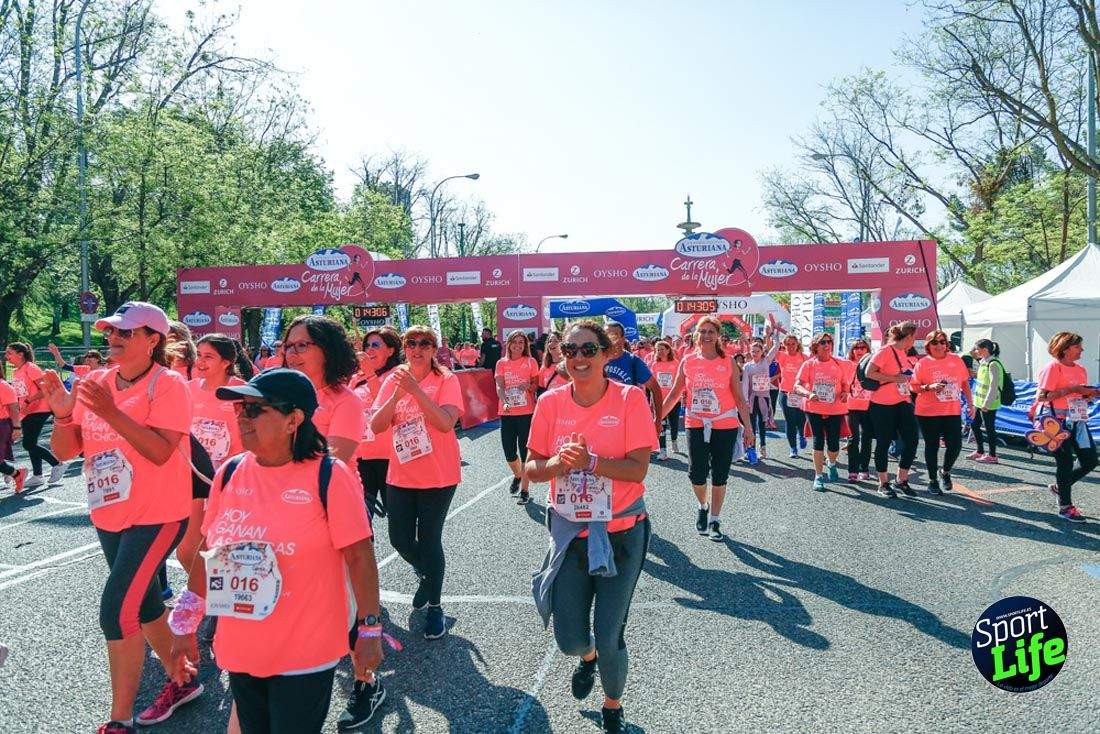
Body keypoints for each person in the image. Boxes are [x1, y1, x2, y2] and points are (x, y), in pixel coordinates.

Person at [166, 368, 385, 732]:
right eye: (240, 409)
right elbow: (209, 552)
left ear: (293, 420)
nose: (241, 417)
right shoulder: (230, 472)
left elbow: (361, 558)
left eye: (254, 409)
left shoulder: (329, 475)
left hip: (304, 651)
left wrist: (370, 630)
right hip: (240, 648)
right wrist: (185, 624)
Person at [41, 302, 192, 734]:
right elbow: (67, 452)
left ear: (153, 340)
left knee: (115, 611)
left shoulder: (169, 385)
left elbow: (160, 451)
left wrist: (110, 412)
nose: (114, 339)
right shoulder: (96, 382)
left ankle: (119, 719)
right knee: (143, 605)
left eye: (126, 332)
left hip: (158, 515)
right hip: (109, 513)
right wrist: (63, 413)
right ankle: (180, 679)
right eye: (111, 332)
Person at [526, 319, 656, 734]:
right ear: (560, 356)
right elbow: (531, 467)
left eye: (588, 350)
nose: (579, 358)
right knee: (569, 638)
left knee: (609, 632)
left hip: (621, 532)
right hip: (568, 533)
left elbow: (639, 468)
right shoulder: (550, 403)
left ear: (607, 353)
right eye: (570, 350)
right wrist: (557, 464)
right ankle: (587, 659)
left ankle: (612, 703)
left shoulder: (629, 399)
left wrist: (591, 462)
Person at [370, 326, 464, 640]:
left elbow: (445, 422)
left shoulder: (446, 379)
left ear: (434, 348)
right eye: (412, 343)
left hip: (439, 474)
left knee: (429, 539)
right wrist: (398, 393)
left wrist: (417, 392)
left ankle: (435, 607)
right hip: (402, 474)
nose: (418, 349)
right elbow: (376, 424)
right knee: (398, 539)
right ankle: (427, 575)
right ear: (405, 348)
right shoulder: (393, 379)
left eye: (425, 343)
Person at [659, 316, 753, 541]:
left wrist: (748, 428)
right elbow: (674, 395)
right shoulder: (688, 361)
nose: (707, 336)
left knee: (720, 475)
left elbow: (739, 397)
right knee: (697, 474)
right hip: (697, 423)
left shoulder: (727, 361)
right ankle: (703, 504)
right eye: (702, 331)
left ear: (718, 336)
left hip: (725, 423)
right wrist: (655, 422)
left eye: (711, 331)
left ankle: (715, 520)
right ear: (696, 335)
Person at [283, 315, 364, 464]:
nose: (292, 353)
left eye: (302, 345)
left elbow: (331, 465)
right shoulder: (280, 396)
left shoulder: (346, 402)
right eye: (288, 346)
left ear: (327, 350)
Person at [1035, 332, 1098, 522]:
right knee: (1065, 462)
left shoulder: (1081, 369)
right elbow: (1042, 397)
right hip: (1055, 422)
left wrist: (1089, 394)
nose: (1082, 350)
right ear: (1065, 348)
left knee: (1089, 460)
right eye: (1078, 346)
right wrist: (1074, 390)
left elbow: (1079, 396)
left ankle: (1059, 487)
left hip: (1077, 420)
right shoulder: (1053, 367)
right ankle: (1065, 507)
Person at [911, 330, 974, 495]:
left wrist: (971, 404)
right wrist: (929, 387)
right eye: (935, 342)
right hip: (927, 411)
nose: (939, 345)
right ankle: (932, 481)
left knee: (955, 445)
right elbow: (913, 387)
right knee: (932, 446)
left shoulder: (955, 360)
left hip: (951, 410)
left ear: (947, 344)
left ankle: (945, 472)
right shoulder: (923, 363)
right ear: (928, 346)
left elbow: (965, 383)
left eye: (942, 342)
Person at [865, 321, 920, 498]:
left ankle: (901, 480)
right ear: (909, 336)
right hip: (882, 404)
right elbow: (869, 372)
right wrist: (895, 378)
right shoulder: (885, 351)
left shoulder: (902, 352)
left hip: (902, 401)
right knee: (883, 442)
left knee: (912, 440)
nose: (914, 340)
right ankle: (883, 483)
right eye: (914, 337)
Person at [353, 327, 403, 519]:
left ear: (390, 350)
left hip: (390, 458)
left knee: (399, 525)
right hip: (361, 458)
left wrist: (370, 373)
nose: (369, 350)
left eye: (376, 345)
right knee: (361, 520)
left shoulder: (397, 373)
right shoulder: (357, 377)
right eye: (367, 345)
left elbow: (382, 404)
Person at [793, 333, 850, 491]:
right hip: (814, 408)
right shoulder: (809, 364)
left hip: (835, 408)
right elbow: (796, 386)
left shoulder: (838, 364)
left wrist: (845, 393)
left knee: (833, 443)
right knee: (818, 441)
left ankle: (831, 463)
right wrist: (808, 394)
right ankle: (818, 476)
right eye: (823, 342)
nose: (827, 345)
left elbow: (846, 385)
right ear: (815, 346)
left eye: (829, 342)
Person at [5, 342, 64, 488]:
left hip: (40, 409)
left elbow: (45, 388)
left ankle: (57, 464)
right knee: (31, 443)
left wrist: (29, 400)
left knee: (28, 444)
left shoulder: (31, 368)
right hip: (27, 412)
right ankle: (38, 475)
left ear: (21, 354)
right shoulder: (16, 371)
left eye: (9, 353)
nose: (6, 356)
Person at [496, 331, 539, 504]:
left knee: (525, 452)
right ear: (509, 344)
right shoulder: (501, 363)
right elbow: (499, 386)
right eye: (515, 342)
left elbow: (536, 384)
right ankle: (517, 474)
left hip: (526, 413)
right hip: (507, 412)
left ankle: (525, 491)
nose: (518, 345)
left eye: (521, 342)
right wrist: (505, 402)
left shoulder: (531, 362)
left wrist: (529, 385)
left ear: (525, 345)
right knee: (509, 452)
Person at [603, 322, 663, 441]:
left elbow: (655, 389)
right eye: (606, 335)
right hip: (602, 421)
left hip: (628, 421)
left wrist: (657, 420)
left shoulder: (633, 361)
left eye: (614, 335)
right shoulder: (596, 359)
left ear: (623, 338)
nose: (609, 339)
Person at [740, 319, 779, 460]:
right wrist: (745, 400)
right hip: (751, 399)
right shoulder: (747, 366)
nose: (755, 353)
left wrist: (772, 334)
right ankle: (750, 448)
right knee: (750, 425)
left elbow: (776, 346)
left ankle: (763, 448)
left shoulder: (766, 361)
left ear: (762, 351)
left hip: (764, 398)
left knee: (762, 424)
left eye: (757, 351)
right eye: (753, 351)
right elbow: (744, 384)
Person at [968, 339, 1004, 464]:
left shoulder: (993, 364)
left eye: (977, 349)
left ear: (984, 350)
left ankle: (993, 455)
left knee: (989, 428)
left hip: (988, 403)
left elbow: (994, 386)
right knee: (974, 424)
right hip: (979, 401)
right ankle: (980, 451)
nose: (975, 351)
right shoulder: (983, 362)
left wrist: (986, 404)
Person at [843, 339, 874, 481]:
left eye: (863, 347)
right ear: (852, 351)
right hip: (851, 407)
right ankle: (852, 470)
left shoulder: (873, 365)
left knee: (867, 439)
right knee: (853, 439)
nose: (860, 350)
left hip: (869, 406)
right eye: (856, 348)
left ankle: (864, 469)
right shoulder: (847, 364)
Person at [776, 334, 808, 459]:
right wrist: (770, 336)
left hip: (800, 393)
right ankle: (793, 448)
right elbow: (770, 349)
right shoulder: (782, 356)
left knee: (801, 420)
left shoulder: (804, 358)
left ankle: (802, 435)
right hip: (785, 393)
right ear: (784, 345)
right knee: (790, 421)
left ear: (797, 344)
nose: (790, 347)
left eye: (793, 344)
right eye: (787, 344)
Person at [651, 341, 680, 460]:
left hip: (674, 399)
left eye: (662, 349)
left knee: (674, 424)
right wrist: (652, 399)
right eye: (658, 350)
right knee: (661, 424)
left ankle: (674, 440)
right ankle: (662, 450)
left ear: (668, 350)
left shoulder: (676, 363)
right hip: (659, 399)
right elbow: (652, 384)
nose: (660, 352)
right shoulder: (654, 365)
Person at [0, 376, 26, 492]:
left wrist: (17, 427)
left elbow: (14, 408)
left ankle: (16, 474)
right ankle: (16, 474)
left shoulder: (3, 386)